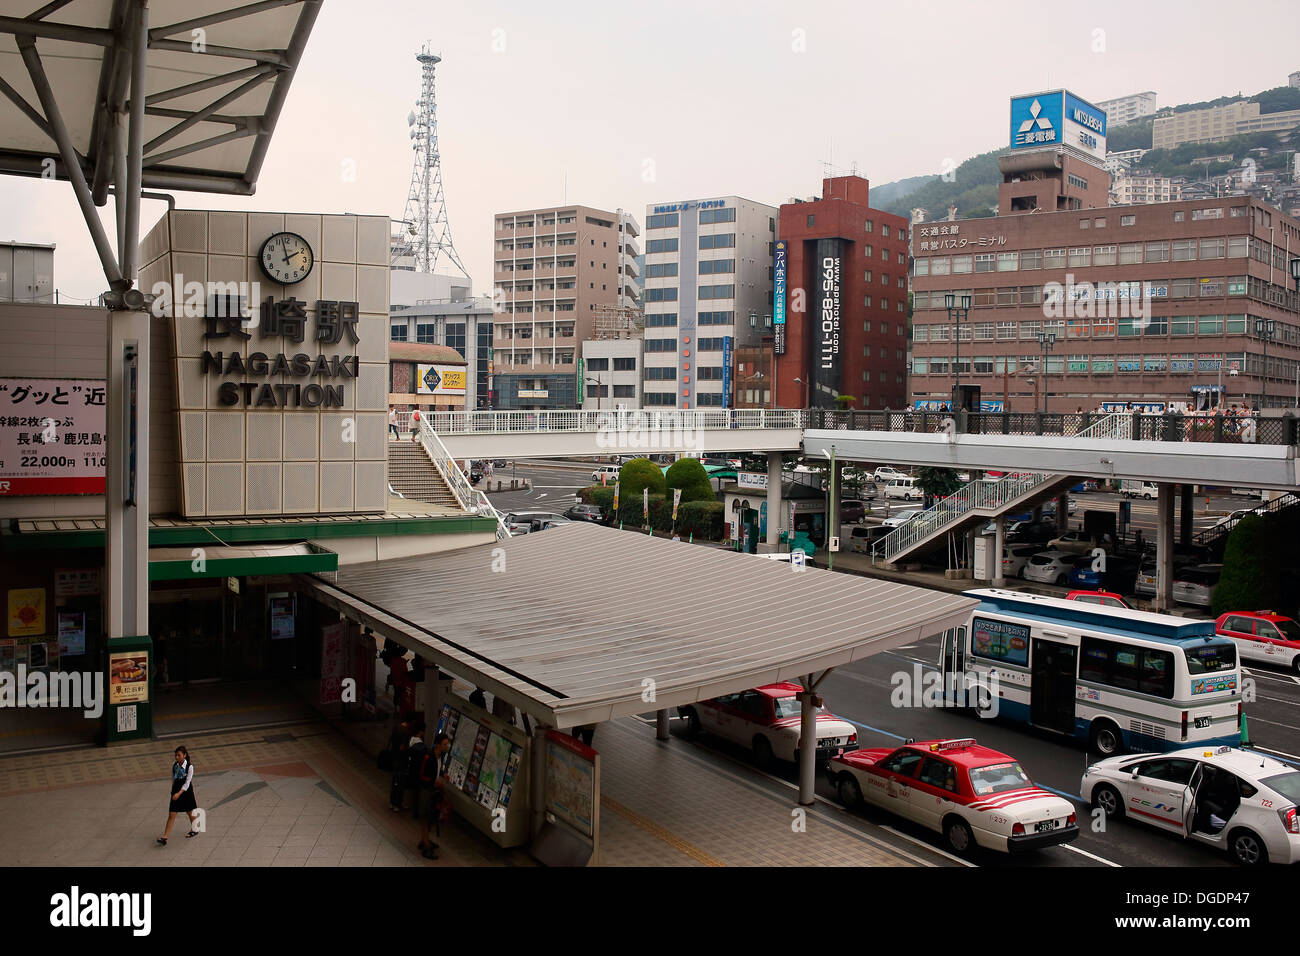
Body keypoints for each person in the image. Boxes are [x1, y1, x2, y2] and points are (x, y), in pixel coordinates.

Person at [415, 732, 452, 859]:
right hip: (426, 791)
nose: (447, 746)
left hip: (433, 791)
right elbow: (421, 775)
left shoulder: (440, 756)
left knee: (430, 817)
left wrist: (442, 775)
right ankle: (426, 846)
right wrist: (434, 781)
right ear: (438, 745)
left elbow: (437, 770)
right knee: (425, 818)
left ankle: (424, 840)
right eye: (444, 744)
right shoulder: (428, 757)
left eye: (447, 744)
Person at [157, 746, 199, 844]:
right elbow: (173, 778)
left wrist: (179, 793)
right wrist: (173, 790)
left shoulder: (189, 766)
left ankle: (195, 829)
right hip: (176, 790)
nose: (176, 757)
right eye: (175, 755)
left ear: (184, 755)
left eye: (178, 755)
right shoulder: (175, 765)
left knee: (189, 811)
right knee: (172, 814)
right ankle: (165, 837)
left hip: (185, 792)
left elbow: (187, 783)